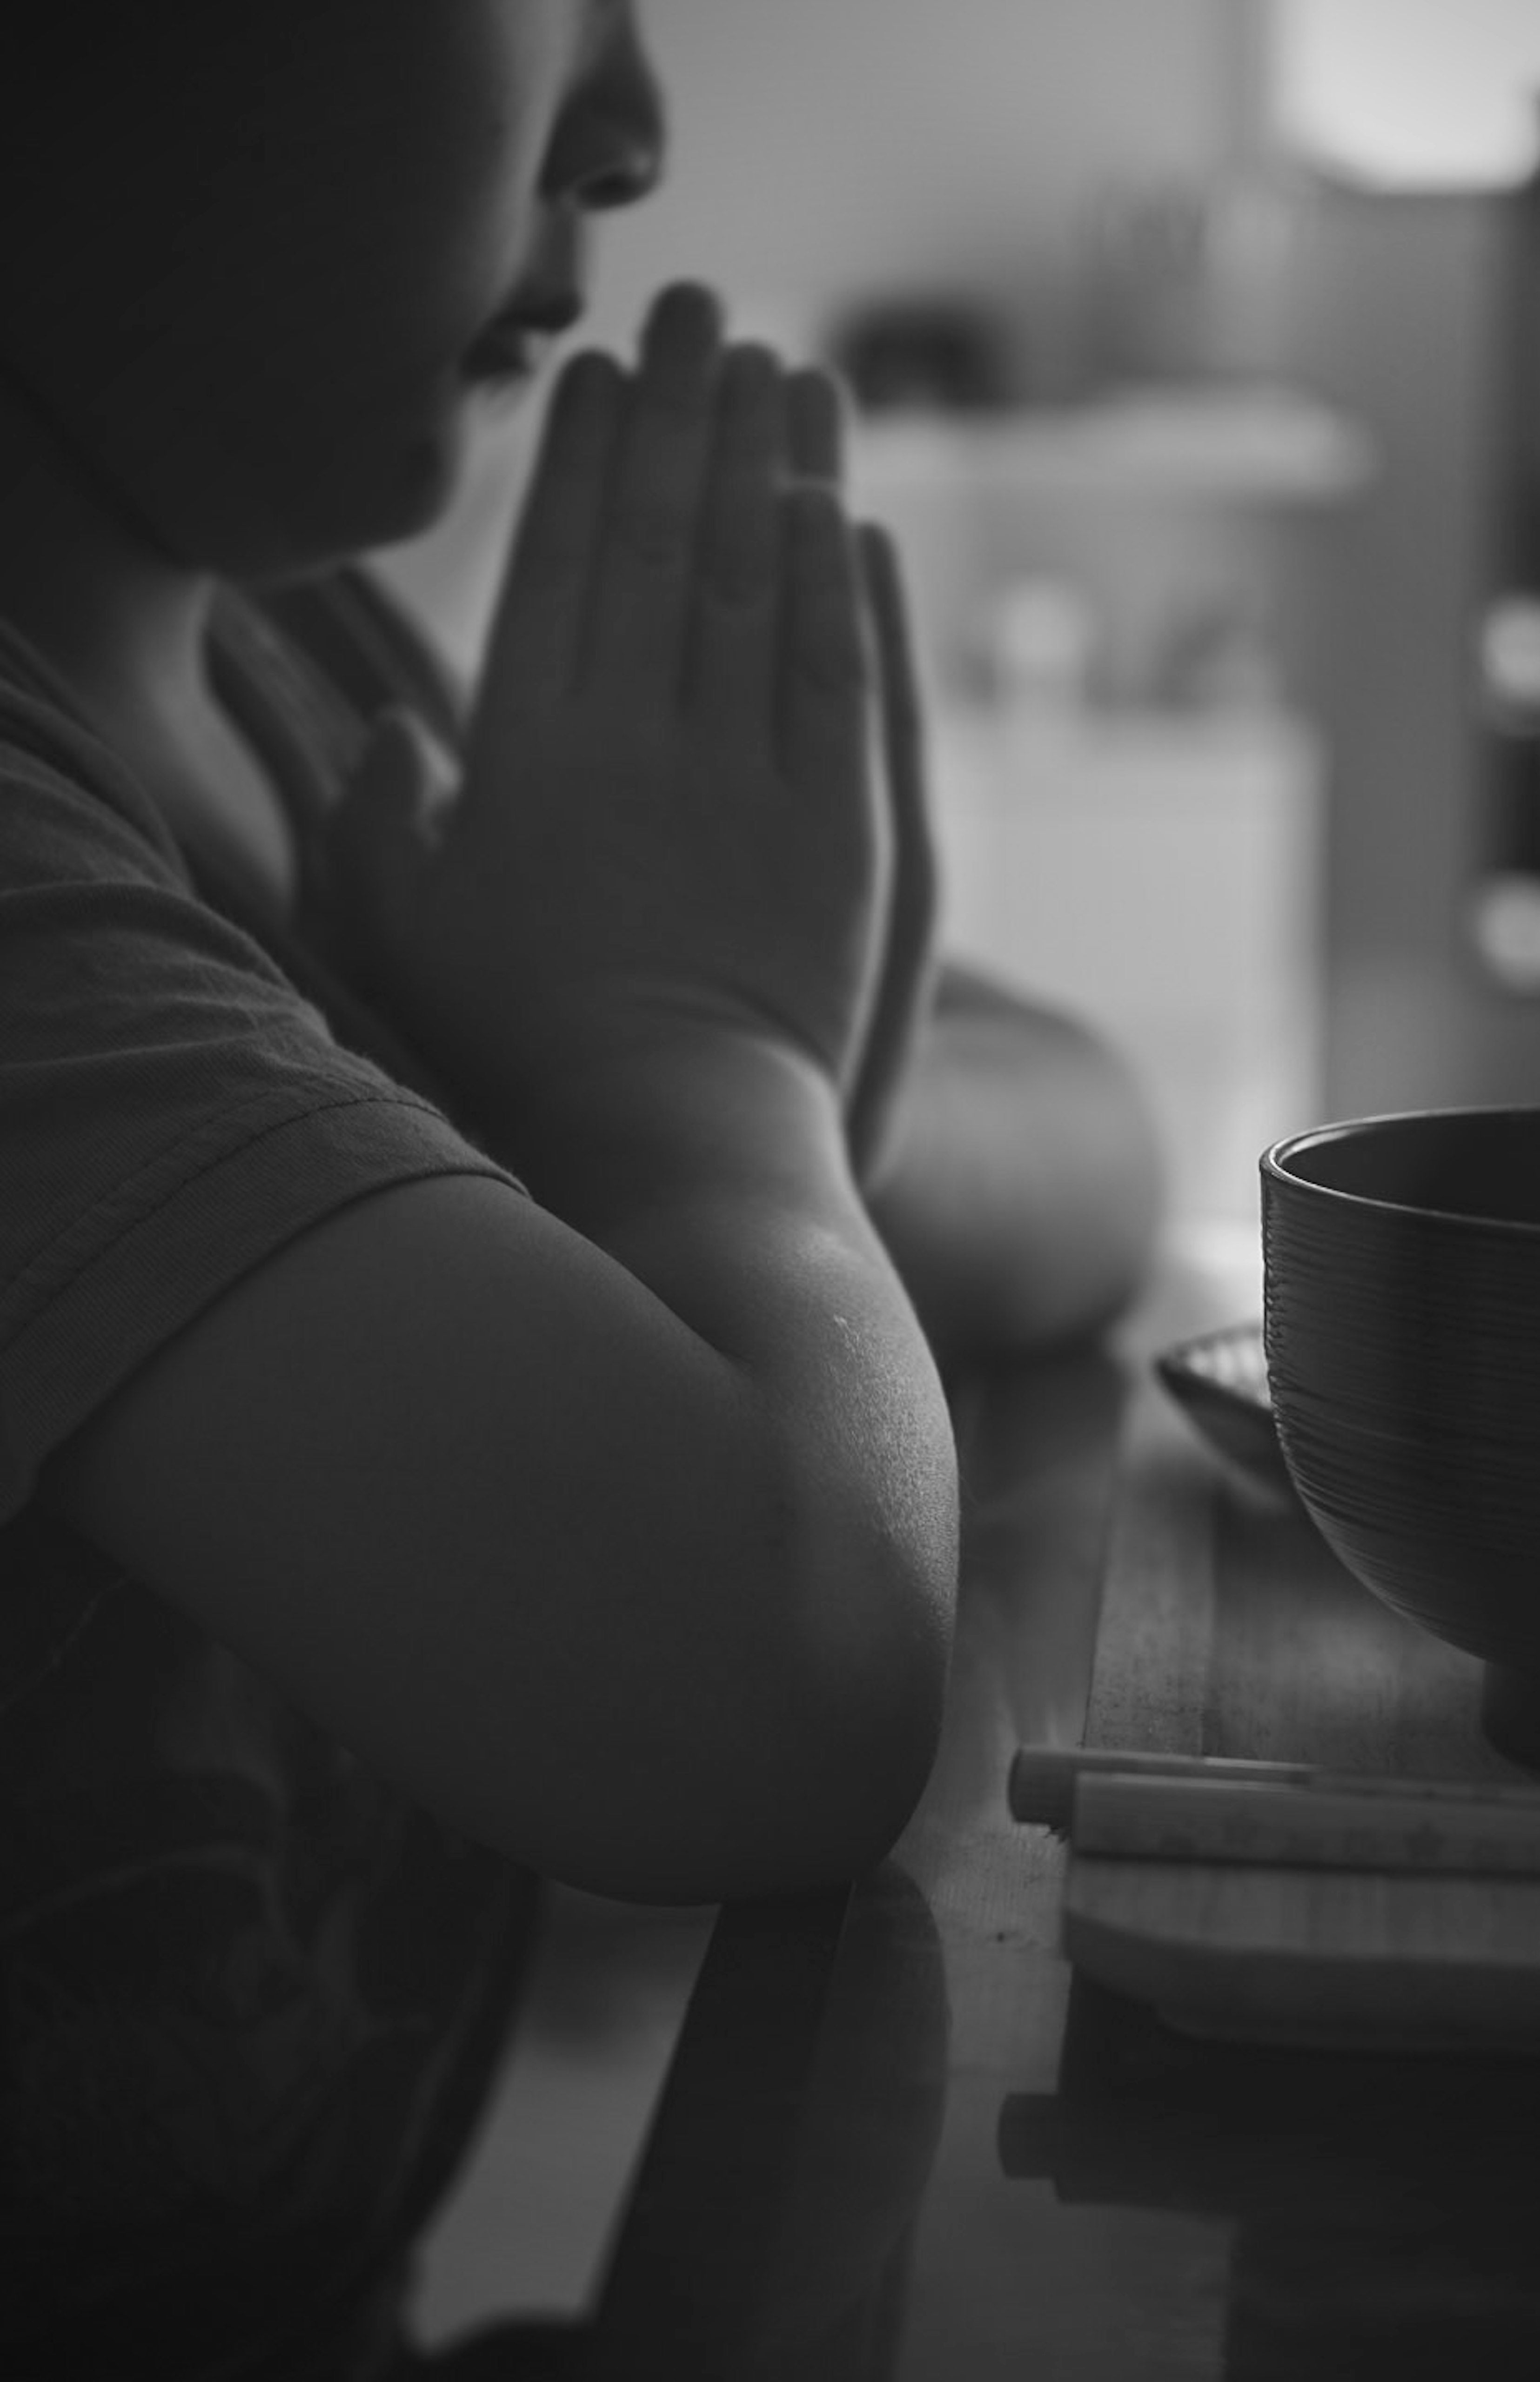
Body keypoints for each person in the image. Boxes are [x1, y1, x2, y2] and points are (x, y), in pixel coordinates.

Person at [0, 5, 1164, 2375]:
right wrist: (696, 1066)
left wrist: (730, 1116)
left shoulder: (290, 666)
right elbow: (764, 1673)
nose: (632, 130)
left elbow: (1084, 1150)